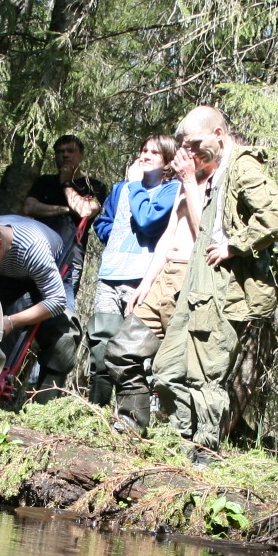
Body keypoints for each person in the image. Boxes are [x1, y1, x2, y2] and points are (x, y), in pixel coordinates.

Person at [151, 105, 278, 456]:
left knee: (205, 376)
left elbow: (274, 215)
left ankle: (203, 451)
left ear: (218, 134)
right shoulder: (212, 172)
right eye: (184, 145)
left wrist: (235, 245)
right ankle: (181, 442)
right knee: (165, 371)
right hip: (196, 285)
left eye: (195, 144)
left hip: (223, 290)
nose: (189, 152)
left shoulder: (242, 165)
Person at [102, 143, 202, 431]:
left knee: (176, 368)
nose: (186, 152)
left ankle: (184, 436)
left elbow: (204, 234)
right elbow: (168, 236)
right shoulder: (184, 186)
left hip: (191, 280)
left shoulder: (207, 183)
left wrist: (190, 180)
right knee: (121, 351)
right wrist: (145, 283)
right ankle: (131, 424)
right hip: (163, 276)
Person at [87, 136, 180, 405]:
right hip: (110, 274)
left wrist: (137, 185)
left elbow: (148, 221)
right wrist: (116, 238)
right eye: (143, 151)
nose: (145, 156)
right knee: (101, 343)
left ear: (167, 162)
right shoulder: (120, 189)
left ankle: (131, 413)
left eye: (154, 153)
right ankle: (96, 408)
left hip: (141, 278)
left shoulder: (170, 190)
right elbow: (103, 221)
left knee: (132, 348)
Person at [0, 214, 80, 398]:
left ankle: (46, 403)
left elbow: (57, 300)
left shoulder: (33, 249)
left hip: (51, 268)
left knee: (62, 335)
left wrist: (11, 322)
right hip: (9, 273)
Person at [13, 134, 105, 291]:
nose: (65, 155)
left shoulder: (94, 186)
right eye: (60, 152)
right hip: (36, 251)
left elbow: (85, 210)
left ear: (80, 155)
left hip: (70, 256)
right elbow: (29, 207)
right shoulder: (44, 182)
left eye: (70, 151)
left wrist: (66, 183)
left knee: (61, 304)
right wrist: (67, 209)